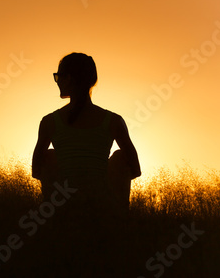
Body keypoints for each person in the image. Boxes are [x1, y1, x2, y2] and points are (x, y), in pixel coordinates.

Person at [31, 52, 141, 276]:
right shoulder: (114, 121)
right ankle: (119, 222)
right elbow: (135, 169)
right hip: (105, 206)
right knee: (120, 158)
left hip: (62, 207)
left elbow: (36, 170)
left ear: (69, 79)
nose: (57, 81)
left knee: (49, 156)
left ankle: (54, 221)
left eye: (58, 76)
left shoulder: (50, 122)